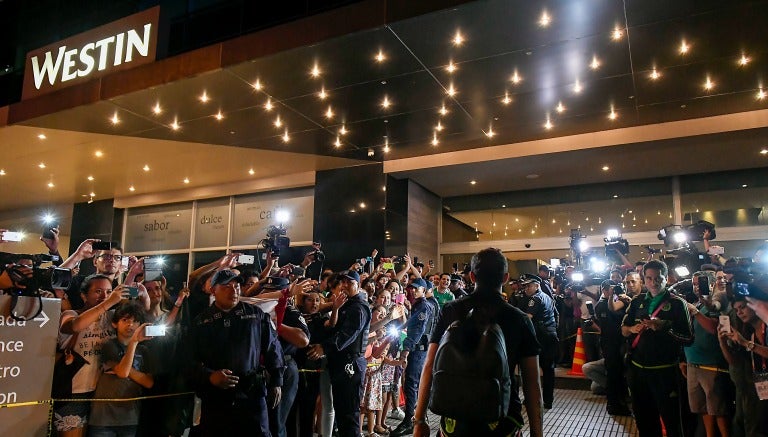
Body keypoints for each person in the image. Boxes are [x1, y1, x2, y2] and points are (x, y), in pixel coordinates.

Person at [413, 248, 543, 437]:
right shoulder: (519, 319)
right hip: (502, 423)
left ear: (472, 277)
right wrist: (536, 433)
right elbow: (533, 384)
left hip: (455, 423)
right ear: (505, 278)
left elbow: (429, 366)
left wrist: (419, 420)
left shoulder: (451, 310)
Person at [189, 269, 284, 436]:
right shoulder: (201, 322)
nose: (234, 290)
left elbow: (272, 347)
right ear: (213, 290)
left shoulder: (254, 315)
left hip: (251, 394)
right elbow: (188, 360)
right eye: (226, 286)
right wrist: (209, 376)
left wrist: (277, 380)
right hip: (216, 399)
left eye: (237, 286)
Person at [621, 260, 694, 437]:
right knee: (644, 421)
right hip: (638, 371)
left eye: (658, 278)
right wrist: (632, 329)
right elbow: (623, 330)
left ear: (666, 278)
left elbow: (689, 338)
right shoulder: (637, 301)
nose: (653, 282)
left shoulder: (677, 303)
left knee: (673, 423)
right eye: (649, 278)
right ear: (644, 279)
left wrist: (665, 327)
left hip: (665, 372)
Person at [53, 274, 126, 437]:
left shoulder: (110, 318)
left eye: (108, 292)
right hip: (74, 391)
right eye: (98, 291)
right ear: (83, 295)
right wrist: (109, 302)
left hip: (102, 390)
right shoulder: (70, 314)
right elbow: (76, 325)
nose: (104, 296)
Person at [307, 270, 372, 437]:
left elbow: (347, 335)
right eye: (342, 282)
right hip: (340, 365)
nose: (344, 285)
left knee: (349, 415)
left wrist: (324, 348)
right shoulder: (347, 304)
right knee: (342, 413)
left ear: (358, 285)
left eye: (349, 282)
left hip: (350, 366)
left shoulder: (358, 308)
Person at [88, 303, 154, 437]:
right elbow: (123, 373)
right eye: (125, 320)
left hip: (130, 417)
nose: (131, 325)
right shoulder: (108, 345)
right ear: (115, 323)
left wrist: (124, 367)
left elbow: (149, 382)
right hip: (103, 418)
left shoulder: (144, 350)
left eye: (135, 321)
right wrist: (133, 343)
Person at [390, 278, 434, 437]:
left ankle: (410, 420)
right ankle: (413, 418)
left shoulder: (423, 306)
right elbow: (411, 324)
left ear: (423, 290)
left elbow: (418, 330)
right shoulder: (418, 305)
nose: (413, 291)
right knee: (412, 384)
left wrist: (406, 350)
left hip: (418, 350)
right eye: (412, 288)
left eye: (417, 288)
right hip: (419, 349)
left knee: (411, 384)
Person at [516, 273, 558, 409]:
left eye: (529, 286)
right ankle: (548, 400)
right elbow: (556, 315)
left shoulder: (535, 299)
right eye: (525, 286)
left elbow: (528, 317)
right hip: (550, 334)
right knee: (548, 369)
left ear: (537, 285)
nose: (526, 288)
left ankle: (533, 399)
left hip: (541, 336)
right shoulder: (547, 297)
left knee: (531, 368)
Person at [594, 280, 631, 416]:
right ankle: (614, 405)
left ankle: (620, 402)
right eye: (611, 289)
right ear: (604, 289)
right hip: (610, 344)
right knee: (613, 375)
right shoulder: (601, 305)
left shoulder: (618, 302)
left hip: (619, 344)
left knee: (619, 374)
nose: (614, 292)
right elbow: (612, 312)